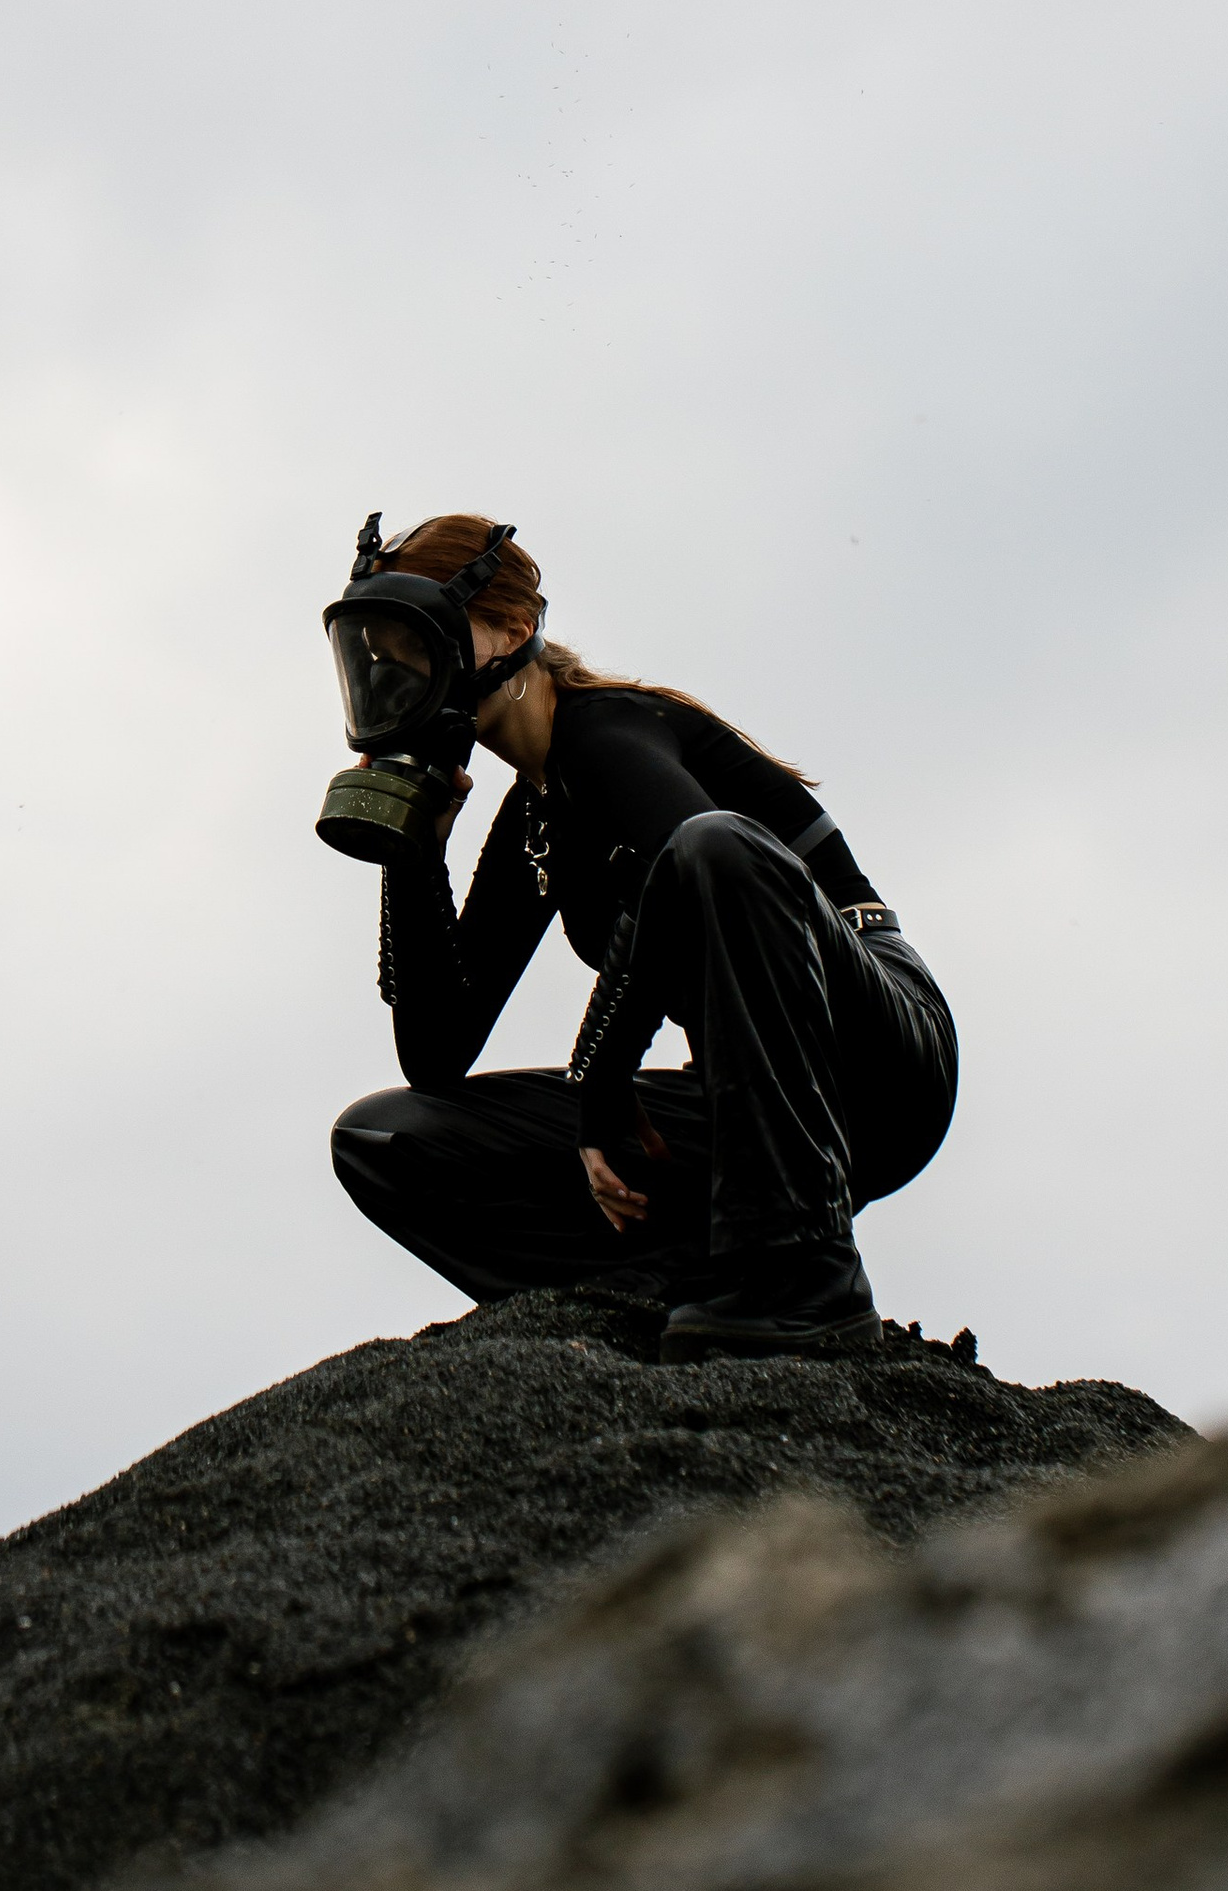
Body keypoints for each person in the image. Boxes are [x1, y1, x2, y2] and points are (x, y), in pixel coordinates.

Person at [327, 515, 957, 1360]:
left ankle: (809, 1275)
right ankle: (656, 1299)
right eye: (385, 661)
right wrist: (415, 855)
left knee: (714, 848)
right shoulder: (533, 816)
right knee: (383, 1139)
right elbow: (436, 1054)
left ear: (514, 630)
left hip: (879, 1061)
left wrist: (599, 1084)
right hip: (738, 1095)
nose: (403, 678)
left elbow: (707, 873)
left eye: (422, 644)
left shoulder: (610, 733)